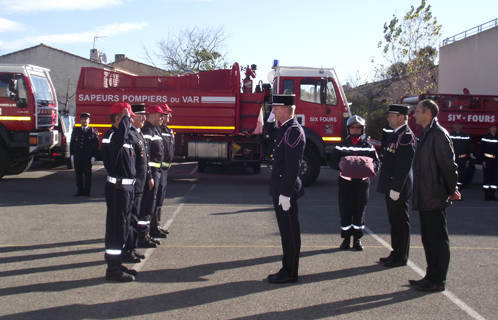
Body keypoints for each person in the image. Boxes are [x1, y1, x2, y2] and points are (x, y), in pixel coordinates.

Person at [410, 99, 460, 292]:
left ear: (428, 113)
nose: (414, 115)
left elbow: (449, 166)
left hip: (435, 196)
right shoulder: (426, 133)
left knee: (438, 240)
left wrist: (451, 189)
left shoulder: (439, 135)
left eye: (418, 112)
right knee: (428, 239)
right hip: (425, 196)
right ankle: (430, 276)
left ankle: (438, 280)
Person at [266, 94, 305, 284]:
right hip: (280, 187)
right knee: (285, 231)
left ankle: (290, 272)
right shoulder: (285, 129)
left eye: (276, 108)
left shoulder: (293, 131)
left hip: (285, 190)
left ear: (287, 109)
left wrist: (285, 193)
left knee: (289, 232)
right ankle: (287, 267)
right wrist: (269, 122)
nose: (273, 110)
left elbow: (293, 165)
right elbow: (269, 138)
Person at [329, 115, 380, 251]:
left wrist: (372, 167)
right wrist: (338, 165)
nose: (355, 130)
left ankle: (357, 239)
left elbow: (377, 163)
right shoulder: (341, 146)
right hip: (346, 184)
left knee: (359, 211)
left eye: (358, 127)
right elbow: (331, 162)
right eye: (353, 127)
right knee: (345, 211)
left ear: (362, 129)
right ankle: (346, 239)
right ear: (348, 129)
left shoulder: (369, 147)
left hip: (362, 185)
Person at [101, 103, 138, 282]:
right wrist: (124, 121)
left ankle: (119, 261)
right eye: (127, 118)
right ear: (118, 119)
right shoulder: (111, 137)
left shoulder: (125, 137)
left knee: (123, 227)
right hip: (117, 189)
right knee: (116, 229)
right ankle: (112, 269)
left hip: (127, 189)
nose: (130, 121)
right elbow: (116, 146)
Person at [377, 104, 415, 268]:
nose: (389, 119)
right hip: (391, 185)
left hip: (398, 187)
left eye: (392, 116)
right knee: (394, 221)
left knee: (400, 222)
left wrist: (397, 188)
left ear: (401, 117)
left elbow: (404, 166)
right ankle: (396, 251)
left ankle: (401, 256)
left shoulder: (405, 136)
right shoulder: (396, 134)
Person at [122, 103, 150, 263]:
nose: (144, 118)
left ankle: (132, 248)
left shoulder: (138, 134)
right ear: (131, 118)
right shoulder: (130, 135)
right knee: (131, 219)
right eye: (141, 116)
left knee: (135, 217)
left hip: (139, 184)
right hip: (133, 185)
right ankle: (128, 250)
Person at [137, 105, 167, 248]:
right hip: (151, 173)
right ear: (152, 116)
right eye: (159, 115)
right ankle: (141, 235)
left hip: (156, 172)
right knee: (146, 205)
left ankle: (147, 232)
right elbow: (145, 156)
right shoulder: (147, 131)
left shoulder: (154, 130)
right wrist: (149, 174)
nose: (162, 118)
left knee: (151, 205)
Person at [152, 103, 175, 238]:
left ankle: (157, 224)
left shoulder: (168, 130)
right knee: (154, 198)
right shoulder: (157, 131)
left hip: (164, 170)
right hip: (158, 170)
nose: (169, 116)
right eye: (167, 113)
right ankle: (152, 226)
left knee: (160, 197)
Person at [70, 112, 99, 196]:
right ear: (80, 120)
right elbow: (72, 143)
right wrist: (72, 154)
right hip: (78, 156)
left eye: (85, 119)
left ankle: (87, 191)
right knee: (78, 174)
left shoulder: (92, 131)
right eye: (82, 119)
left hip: (87, 157)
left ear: (89, 121)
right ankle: (79, 190)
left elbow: (96, 145)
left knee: (87, 175)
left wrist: (93, 156)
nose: (84, 121)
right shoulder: (76, 130)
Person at [478, 123, 498, 201]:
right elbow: (481, 150)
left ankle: (492, 194)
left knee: (494, 178)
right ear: (489, 129)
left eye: (495, 127)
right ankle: (486, 194)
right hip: (487, 160)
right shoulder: (485, 138)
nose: (494, 129)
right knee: (487, 177)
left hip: (496, 161)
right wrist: (483, 160)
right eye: (492, 127)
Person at [450, 122, 472, 190]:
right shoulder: (449, 135)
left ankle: (458, 192)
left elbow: (468, 149)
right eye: (456, 124)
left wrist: (468, 160)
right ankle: (451, 193)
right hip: (452, 159)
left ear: (462, 126)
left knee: (460, 176)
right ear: (453, 125)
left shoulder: (466, 136)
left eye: (459, 124)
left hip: (462, 159)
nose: (457, 126)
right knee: (451, 175)